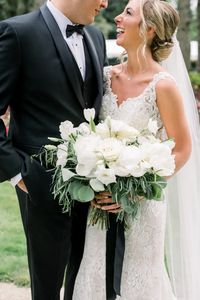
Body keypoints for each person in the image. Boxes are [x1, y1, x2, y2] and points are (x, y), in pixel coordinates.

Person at [72, 0, 200, 299]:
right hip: (100, 202)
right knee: (95, 271)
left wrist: (135, 190)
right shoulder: (104, 76)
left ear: (149, 28)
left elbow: (181, 147)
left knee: (137, 279)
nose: (116, 16)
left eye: (128, 12)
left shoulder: (162, 85)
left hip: (142, 206)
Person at [0, 0, 108, 299]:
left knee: (85, 279)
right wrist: (17, 173)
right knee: (46, 286)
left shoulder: (96, 37)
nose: (105, 4)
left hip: (94, 188)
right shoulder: (17, 32)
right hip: (39, 184)